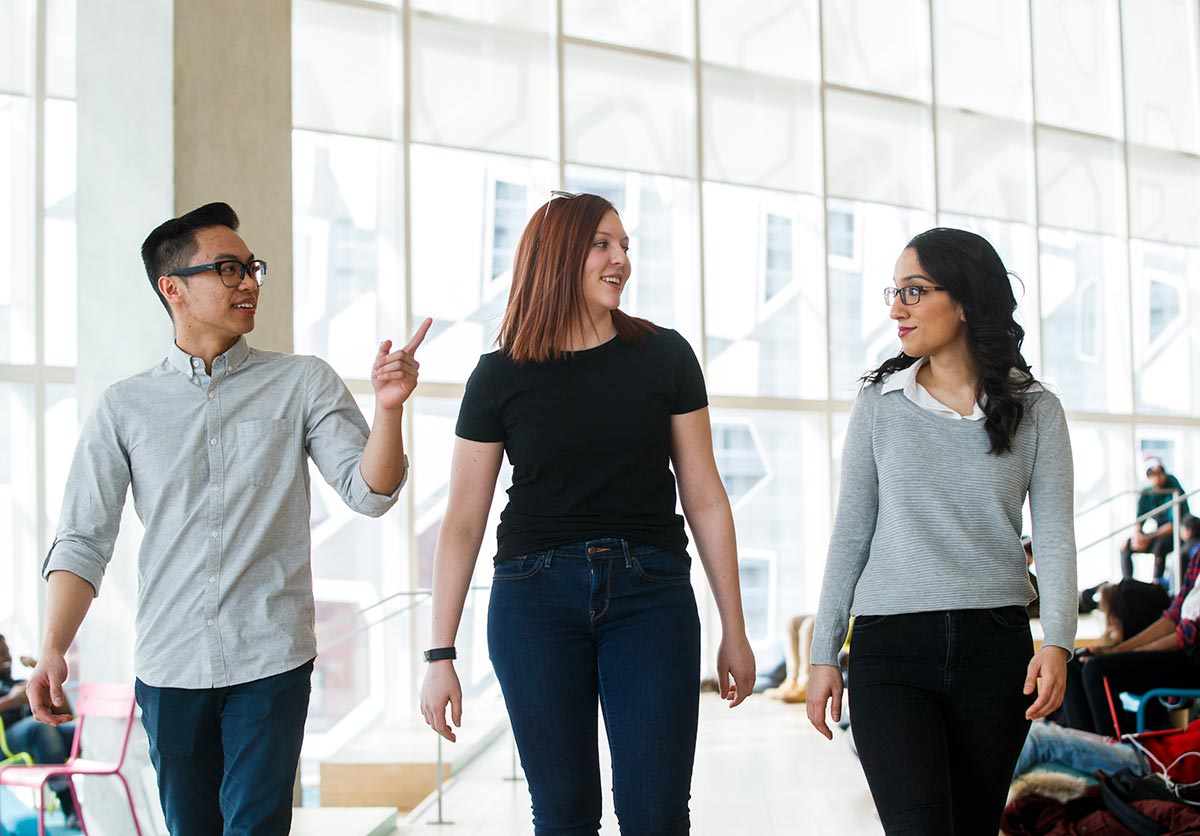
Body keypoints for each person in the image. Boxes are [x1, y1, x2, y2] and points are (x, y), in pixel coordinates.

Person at [25, 203, 428, 836]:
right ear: (173, 288)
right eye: (229, 268)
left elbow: (369, 492)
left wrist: (388, 411)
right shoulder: (124, 408)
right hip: (169, 664)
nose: (250, 283)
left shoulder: (302, 383)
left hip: (271, 656)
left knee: (256, 827)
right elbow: (83, 537)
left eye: (252, 268)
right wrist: (52, 646)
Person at [418, 191, 755, 835]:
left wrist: (734, 629)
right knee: (564, 813)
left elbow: (705, 496)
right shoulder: (498, 375)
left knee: (656, 815)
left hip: (651, 595)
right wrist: (440, 655)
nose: (620, 259)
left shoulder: (667, 356)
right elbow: (463, 520)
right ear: (558, 256)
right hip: (533, 600)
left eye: (625, 245)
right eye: (602, 243)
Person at [806, 227, 1078, 835]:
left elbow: (1055, 534)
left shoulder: (1036, 409)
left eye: (914, 291)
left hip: (996, 650)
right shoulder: (879, 402)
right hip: (890, 651)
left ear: (964, 300)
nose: (896, 307)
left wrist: (1058, 641)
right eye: (894, 292)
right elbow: (851, 532)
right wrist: (824, 653)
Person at [1063, 533, 1200, 736]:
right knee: (1074, 661)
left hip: (1194, 659)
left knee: (1096, 670)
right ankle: (1085, 751)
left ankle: (1115, 758)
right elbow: (1172, 618)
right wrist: (1115, 649)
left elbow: (1187, 636)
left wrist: (1122, 652)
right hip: (1183, 651)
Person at [0, 634, 78, 826]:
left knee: (81, 732)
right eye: (1, 655)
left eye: (8, 653)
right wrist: (11, 701)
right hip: (6, 743)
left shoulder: (20, 683)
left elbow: (68, 713)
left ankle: (103, 798)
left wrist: (45, 678)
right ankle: (68, 803)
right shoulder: (12, 692)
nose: (7, 660)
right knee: (40, 729)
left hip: (42, 735)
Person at [1121, 457, 1189, 585]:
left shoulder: (1172, 487)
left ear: (1163, 473)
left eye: (1158, 474)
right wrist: (1138, 535)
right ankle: (1127, 584)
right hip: (1155, 534)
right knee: (1126, 546)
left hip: (1174, 534)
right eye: (1152, 475)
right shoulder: (1148, 491)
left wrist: (1150, 536)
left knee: (1160, 546)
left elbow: (1174, 524)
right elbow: (1140, 519)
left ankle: (1156, 585)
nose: (1156, 479)